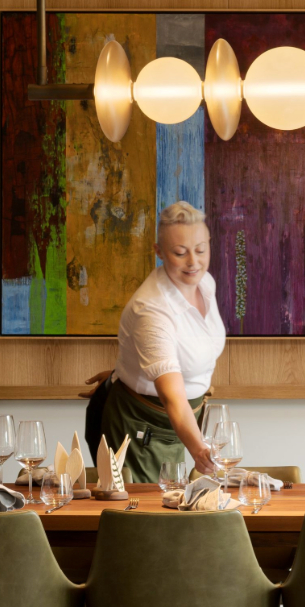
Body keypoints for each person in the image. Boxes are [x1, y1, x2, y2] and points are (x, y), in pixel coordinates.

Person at [83, 201, 225, 483]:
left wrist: (126, 369)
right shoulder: (152, 309)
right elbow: (172, 396)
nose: (193, 262)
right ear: (158, 251)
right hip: (140, 426)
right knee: (146, 518)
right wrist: (199, 451)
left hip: (181, 422)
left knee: (177, 507)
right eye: (180, 253)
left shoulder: (204, 283)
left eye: (200, 250)